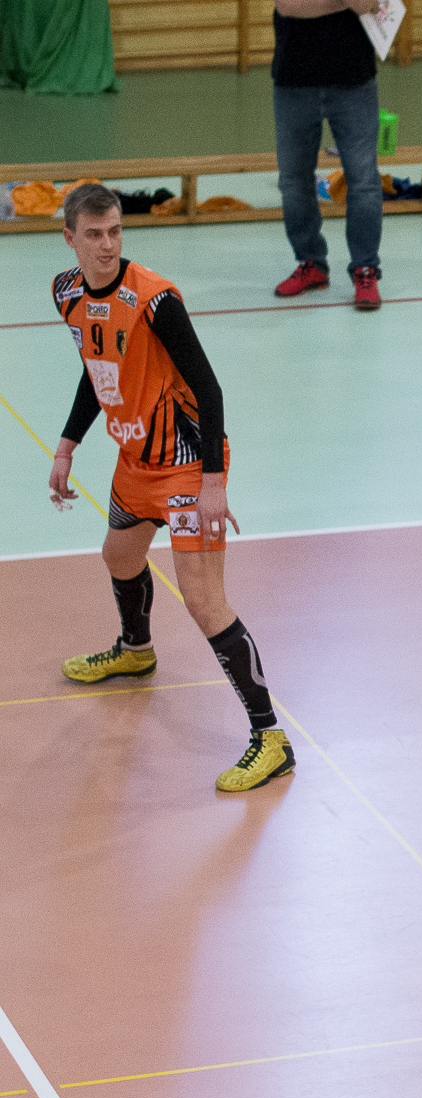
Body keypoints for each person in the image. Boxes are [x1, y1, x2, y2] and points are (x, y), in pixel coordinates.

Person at [48, 184, 295, 794]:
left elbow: (209, 390)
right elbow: (97, 370)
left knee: (204, 601)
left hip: (187, 466)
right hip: (135, 460)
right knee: (119, 556)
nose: (107, 246)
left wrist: (212, 483)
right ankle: (135, 650)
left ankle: (271, 739)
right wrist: (68, 444)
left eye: (115, 232)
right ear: (70, 238)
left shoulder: (155, 300)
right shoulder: (68, 293)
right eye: (94, 235)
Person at [270, 0, 384, 310]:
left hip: (354, 78)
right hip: (294, 79)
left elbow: (368, 3)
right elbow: (288, 6)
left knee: (363, 181)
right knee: (294, 181)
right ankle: (311, 264)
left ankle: (365, 269)